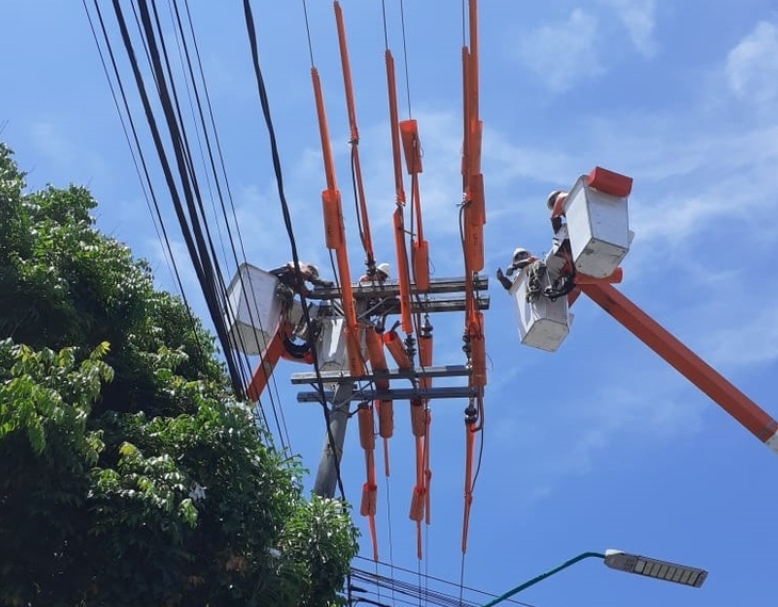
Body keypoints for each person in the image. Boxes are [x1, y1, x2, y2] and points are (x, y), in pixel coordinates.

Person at [268, 261, 333, 298]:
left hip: (276, 291)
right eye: (311, 272)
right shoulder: (299, 264)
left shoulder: (297, 282)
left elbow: (305, 293)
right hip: (274, 278)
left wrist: (322, 295)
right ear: (309, 268)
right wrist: (320, 282)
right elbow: (293, 268)